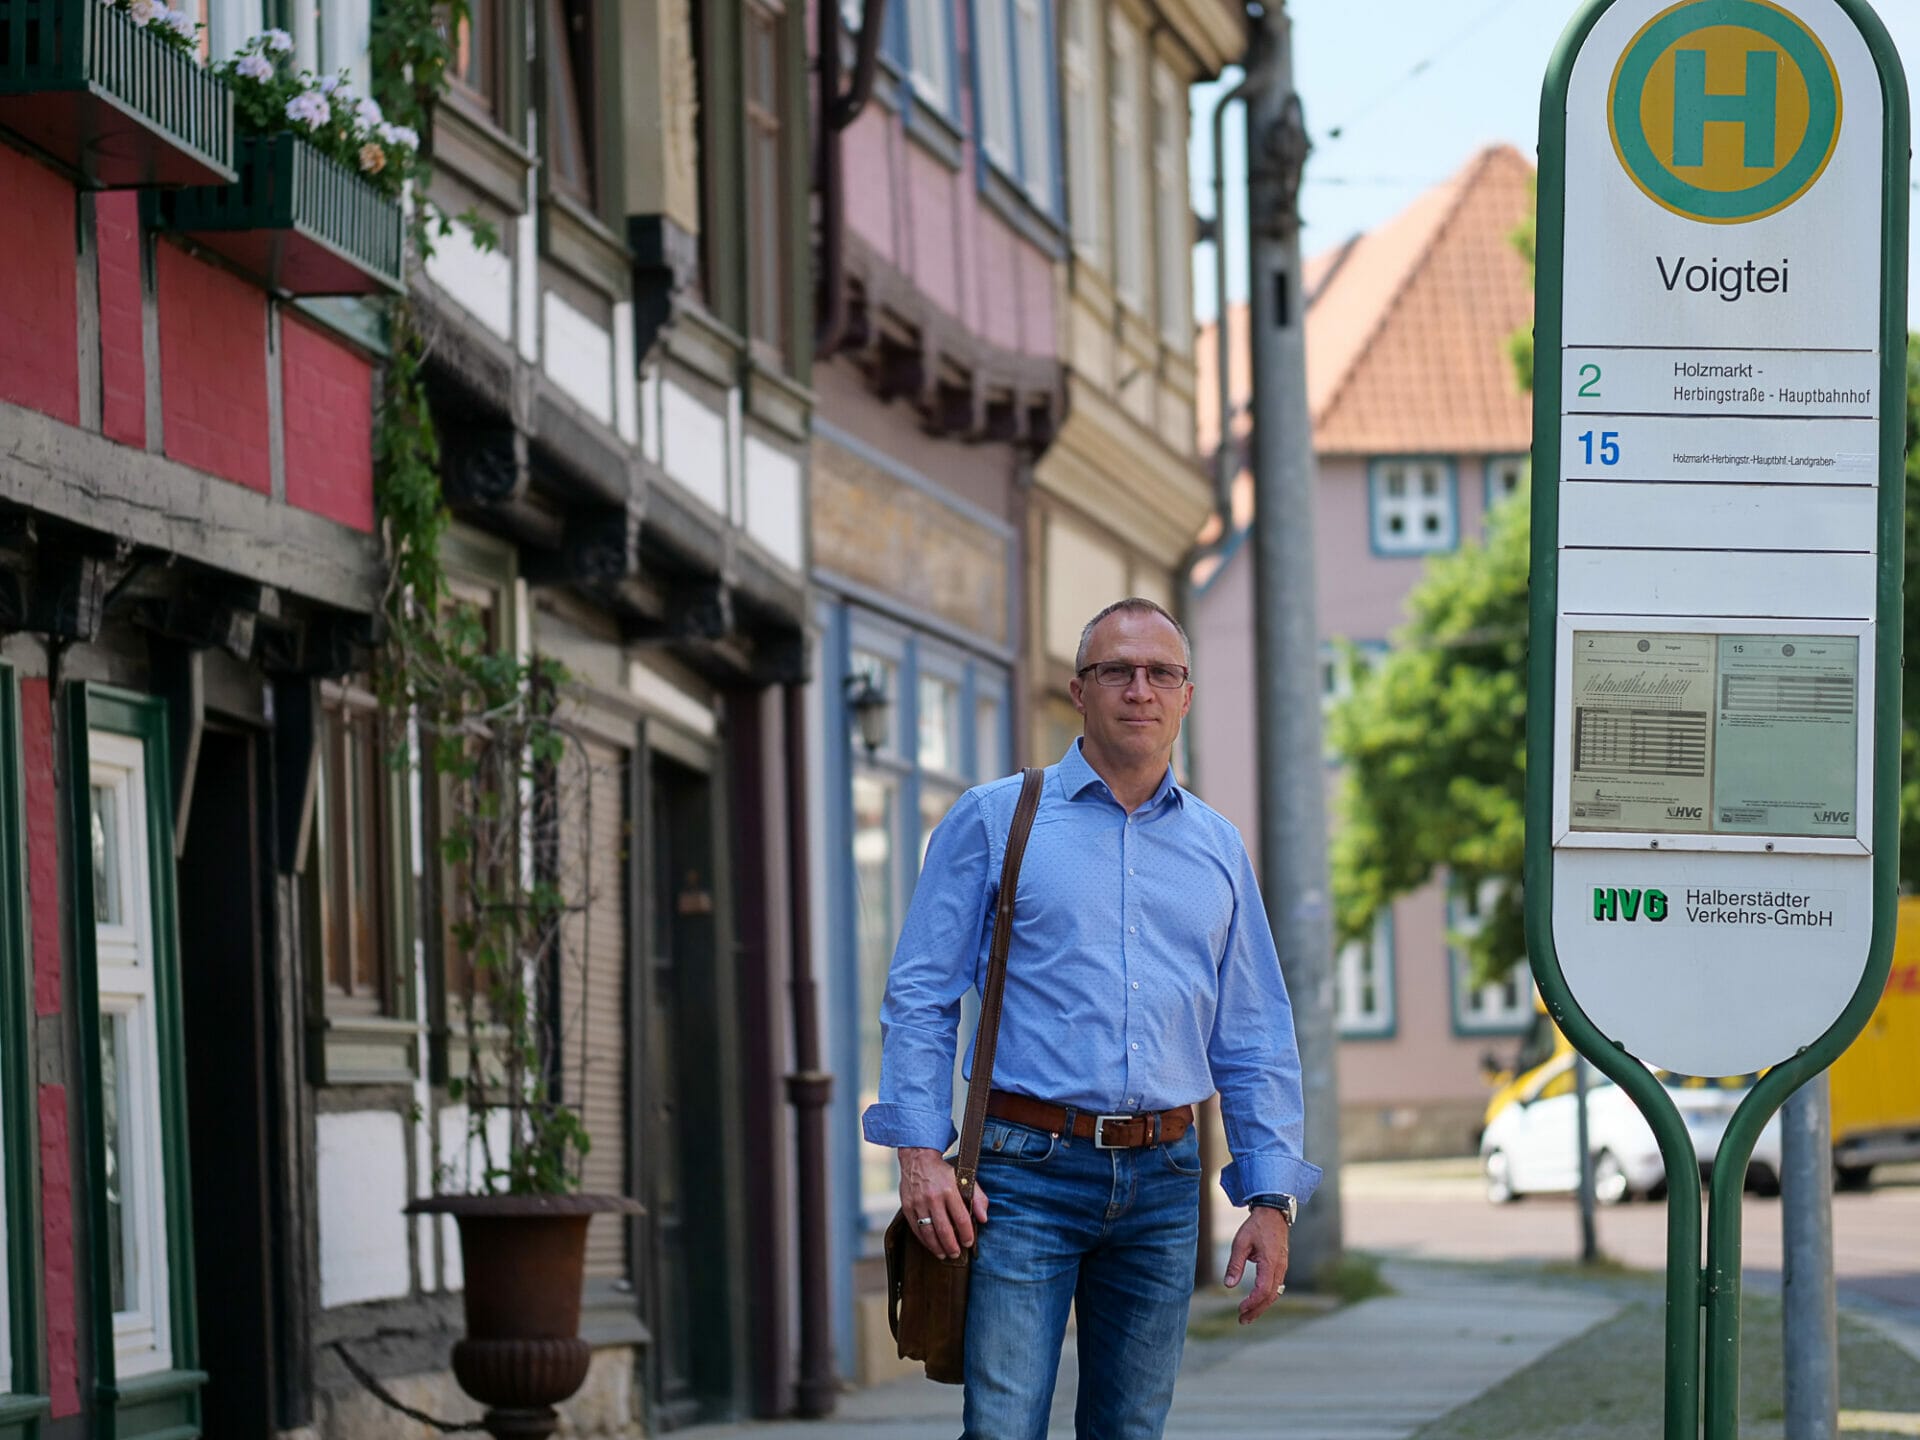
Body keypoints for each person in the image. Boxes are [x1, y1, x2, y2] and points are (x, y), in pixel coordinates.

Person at [863, 596, 1322, 1440]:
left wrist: (1270, 1199)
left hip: (1165, 1180)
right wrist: (920, 1154)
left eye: (1160, 674)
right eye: (1117, 670)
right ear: (1080, 691)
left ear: (1186, 695)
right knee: (1003, 1426)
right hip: (1021, 1174)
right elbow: (920, 995)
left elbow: (1254, 1035)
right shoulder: (996, 818)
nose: (1138, 689)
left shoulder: (1218, 848)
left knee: (1130, 1430)